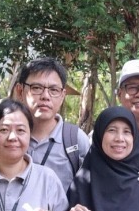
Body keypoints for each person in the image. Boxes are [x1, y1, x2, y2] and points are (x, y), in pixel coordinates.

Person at [17, 56, 90, 193]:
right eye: (37, 88)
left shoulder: (76, 140)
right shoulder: (3, 135)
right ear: (20, 91)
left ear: (62, 96)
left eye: (53, 90)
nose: (45, 96)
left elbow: (91, 188)